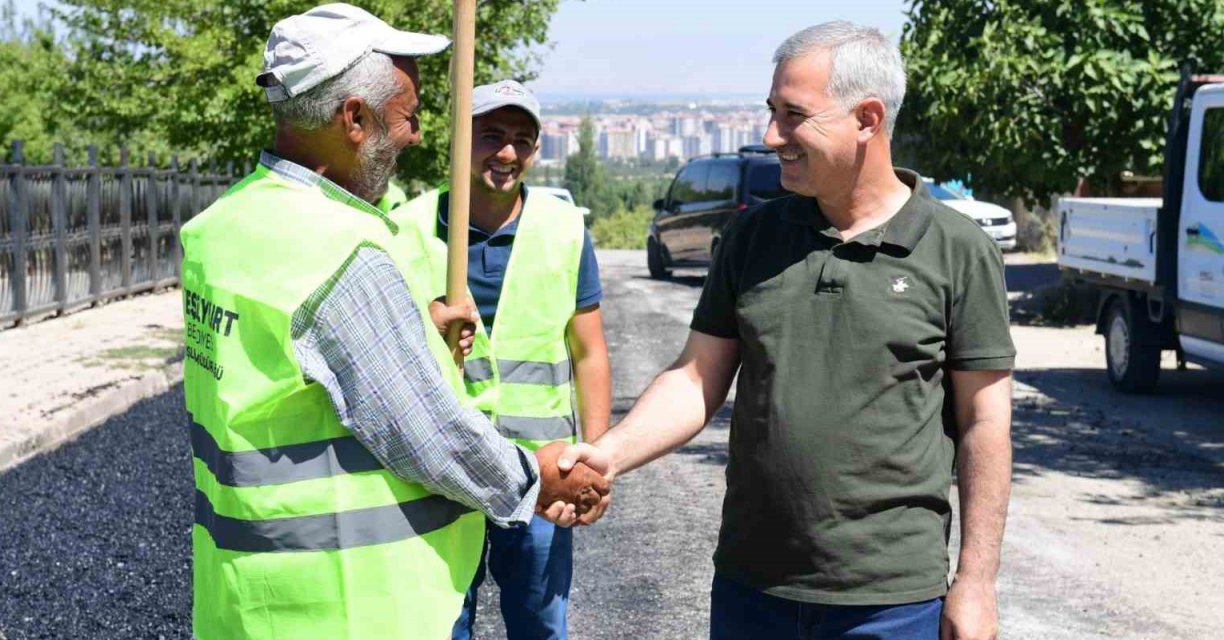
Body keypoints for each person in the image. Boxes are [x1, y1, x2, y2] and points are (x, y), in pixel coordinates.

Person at [561, 21, 1015, 640]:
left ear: (867, 119)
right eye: (771, 111)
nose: (772, 135)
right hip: (754, 592)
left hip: (890, 604)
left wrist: (977, 581)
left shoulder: (957, 250)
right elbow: (696, 379)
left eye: (794, 115)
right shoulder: (753, 237)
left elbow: (985, 424)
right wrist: (607, 454)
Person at [180, 5, 608, 639]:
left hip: (247, 595)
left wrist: (414, 332)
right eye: (405, 116)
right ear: (354, 118)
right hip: (346, 605)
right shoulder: (339, 249)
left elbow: (289, 381)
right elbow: (429, 435)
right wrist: (534, 477)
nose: (413, 136)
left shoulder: (222, 227)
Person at [392, 79, 611, 640]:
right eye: (491, 135)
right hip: (441, 471)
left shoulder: (563, 229)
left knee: (540, 625)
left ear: (536, 150)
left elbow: (589, 352)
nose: (507, 152)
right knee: (441, 625)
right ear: (459, 140)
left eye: (522, 139)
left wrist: (596, 457)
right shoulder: (406, 228)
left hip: (540, 475)